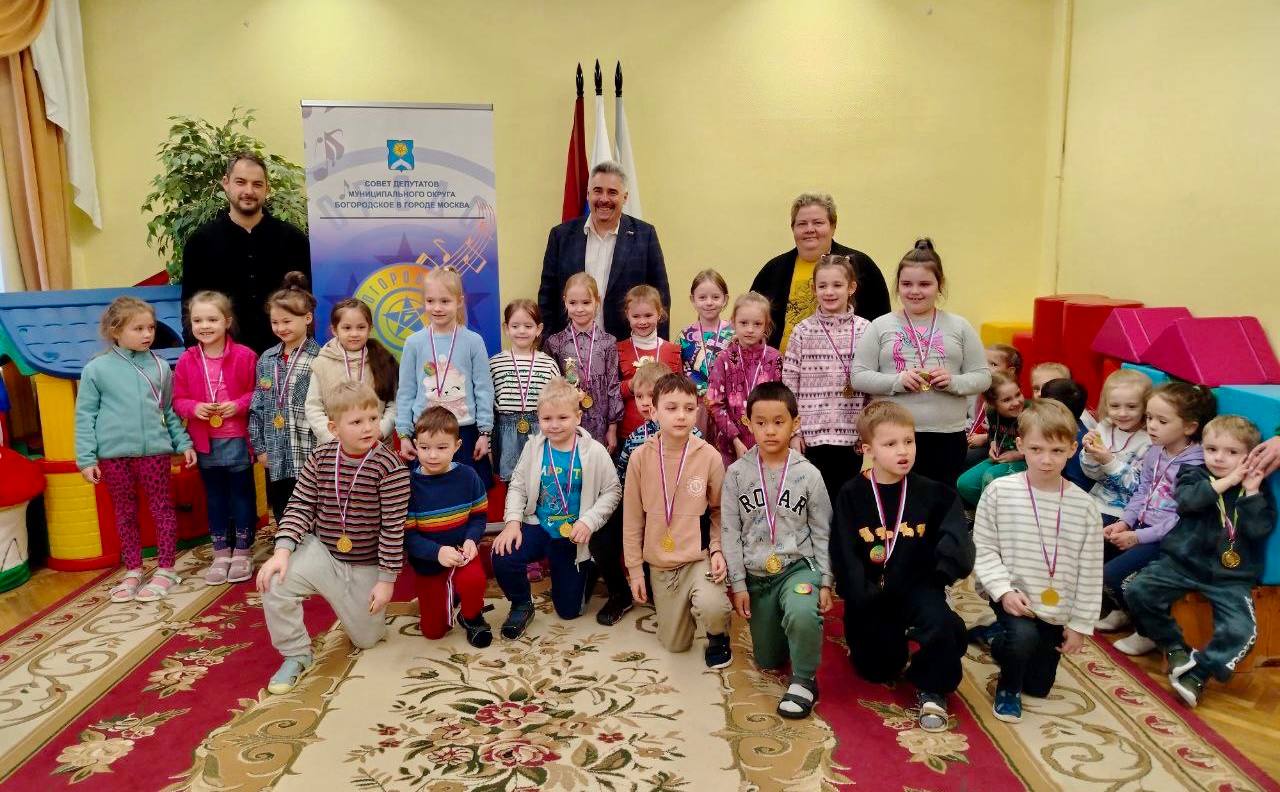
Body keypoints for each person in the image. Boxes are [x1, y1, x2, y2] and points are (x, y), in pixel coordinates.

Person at [256, 381, 410, 694]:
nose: (368, 428)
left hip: (366, 563)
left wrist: (386, 581)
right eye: (356, 421)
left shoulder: (390, 467)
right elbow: (300, 504)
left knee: (367, 640)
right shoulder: (320, 456)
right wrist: (282, 552)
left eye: (373, 418)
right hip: (323, 552)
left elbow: (392, 529)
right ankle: (296, 654)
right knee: (273, 580)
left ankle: (360, 613)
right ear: (333, 428)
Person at [831, 400, 973, 731]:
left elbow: (955, 535)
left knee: (939, 625)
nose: (903, 451)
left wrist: (944, 570)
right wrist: (858, 592)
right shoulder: (852, 493)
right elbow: (843, 549)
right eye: (891, 444)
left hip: (918, 584)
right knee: (877, 669)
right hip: (872, 590)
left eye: (909, 441)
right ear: (868, 450)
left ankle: (932, 689)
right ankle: (904, 637)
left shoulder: (933, 492)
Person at [1126, 416, 1276, 707]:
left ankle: (1198, 674)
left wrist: (1252, 491)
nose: (1219, 458)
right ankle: (1175, 648)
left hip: (1230, 577)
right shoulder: (1193, 473)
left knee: (1242, 632)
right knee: (1137, 591)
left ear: (1249, 455)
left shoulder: (1256, 489)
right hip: (1182, 564)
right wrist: (1228, 481)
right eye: (1212, 449)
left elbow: (1258, 530)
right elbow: (1188, 501)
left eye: (1232, 452)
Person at [972, 399, 1103, 723]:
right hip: (1011, 593)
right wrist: (1003, 591)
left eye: (1057, 451)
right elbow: (984, 548)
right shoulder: (999, 492)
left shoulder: (1085, 507)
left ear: (1072, 449)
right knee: (1022, 640)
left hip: (1055, 605)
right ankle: (1008, 687)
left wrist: (1080, 625)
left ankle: (995, 638)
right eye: (1036, 449)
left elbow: (1090, 571)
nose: (1046, 459)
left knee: (1039, 686)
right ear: (1020, 446)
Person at [75, 297, 197, 602]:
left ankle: (166, 568)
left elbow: (167, 411)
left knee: (162, 509)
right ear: (115, 331)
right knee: (125, 513)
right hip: (113, 456)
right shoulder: (96, 369)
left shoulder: (160, 367)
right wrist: (86, 459)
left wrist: (183, 443)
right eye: (138, 328)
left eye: (150, 328)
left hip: (154, 453)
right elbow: (85, 416)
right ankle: (133, 569)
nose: (147, 334)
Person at [723, 382, 833, 719]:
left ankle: (804, 680)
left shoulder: (809, 474)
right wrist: (738, 583)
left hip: (797, 567)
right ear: (748, 423)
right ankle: (788, 629)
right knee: (768, 659)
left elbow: (822, 530)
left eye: (779, 422)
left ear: (795, 423)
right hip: (757, 575)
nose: (770, 430)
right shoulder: (736, 474)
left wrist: (826, 580)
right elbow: (730, 532)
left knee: (802, 612)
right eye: (761, 422)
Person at [851, 239, 991, 489]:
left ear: (939, 285)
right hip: (892, 435)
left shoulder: (959, 326)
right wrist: (897, 381)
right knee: (896, 500)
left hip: (946, 435)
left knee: (940, 500)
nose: (915, 291)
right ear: (897, 286)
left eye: (924, 284)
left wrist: (953, 382)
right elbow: (859, 376)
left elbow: (982, 376)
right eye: (906, 284)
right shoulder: (880, 326)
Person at [493, 378, 622, 638]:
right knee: (503, 553)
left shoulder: (595, 451)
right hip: (539, 526)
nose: (554, 425)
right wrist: (512, 523)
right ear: (538, 418)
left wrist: (588, 521)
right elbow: (517, 486)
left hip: (573, 535)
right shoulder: (533, 448)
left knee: (569, 611)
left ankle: (587, 568)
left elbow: (612, 491)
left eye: (562, 417)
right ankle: (521, 604)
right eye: (546, 418)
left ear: (578, 417)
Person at [623, 373, 732, 668]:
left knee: (713, 607)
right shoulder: (639, 458)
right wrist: (635, 571)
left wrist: (717, 549)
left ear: (697, 411)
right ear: (654, 412)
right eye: (671, 408)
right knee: (675, 645)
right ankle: (684, 610)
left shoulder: (709, 457)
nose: (681, 415)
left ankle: (718, 633)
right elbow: (632, 519)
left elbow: (719, 511)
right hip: (661, 563)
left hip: (697, 558)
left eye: (689, 408)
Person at [1104, 382, 1215, 656]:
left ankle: (1148, 632)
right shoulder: (1155, 450)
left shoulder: (1195, 465)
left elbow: (1181, 518)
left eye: (1162, 421)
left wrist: (1137, 537)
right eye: (1149, 417)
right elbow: (1142, 490)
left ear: (1189, 427)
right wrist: (1125, 521)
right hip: (1142, 526)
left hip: (1168, 537)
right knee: (1098, 554)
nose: (1151, 426)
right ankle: (1126, 612)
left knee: (1114, 575)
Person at [181, 152, 311, 353]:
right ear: (226, 183)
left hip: (284, 356)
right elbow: (190, 308)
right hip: (222, 357)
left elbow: (307, 304)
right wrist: (197, 357)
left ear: (267, 188)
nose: (249, 191)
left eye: (257, 184)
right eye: (240, 182)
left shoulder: (293, 240)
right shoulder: (200, 242)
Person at [173, 291, 259, 585]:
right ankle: (221, 553)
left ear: (227, 322)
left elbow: (258, 394)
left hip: (238, 439)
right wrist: (194, 408)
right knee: (215, 497)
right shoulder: (186, 360)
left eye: (212, 319)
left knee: (242, 495)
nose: (205, 325)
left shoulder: (246, 356)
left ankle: (243, 551)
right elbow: (178, 400)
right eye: (197, 320)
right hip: (205, 442)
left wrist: (239, 405)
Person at [538, 161, 670, 341]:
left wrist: (658, 349)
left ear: (625, 197)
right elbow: (547, 297)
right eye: (598, 191)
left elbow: (660, 297)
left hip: (628, 347)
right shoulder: (561, 236)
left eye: (612, 192)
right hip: (570, 349)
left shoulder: (645, 235)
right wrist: (549, 345)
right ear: (588, 194)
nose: (604, 199)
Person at [782, 254, 871, 506]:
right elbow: (789, 385)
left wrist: (866, 433)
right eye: (822, 286)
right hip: (811, 437)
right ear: (814, 289)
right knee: (814, 503)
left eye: (837, 285)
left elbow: (872, 388)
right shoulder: (802, 331)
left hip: (851, 437)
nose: (829, 292)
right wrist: (794, 432)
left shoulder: (866, 330)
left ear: (851, 287)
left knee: (846, 503)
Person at [752, 192, 889, 354]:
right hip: (778, 366)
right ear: (793, 228)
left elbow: (881, 325)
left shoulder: (860, 266)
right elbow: (750, 318)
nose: (810, 229)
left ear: (833, 226)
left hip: (845, 366)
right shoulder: (773, 270)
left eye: (818, 222)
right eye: (802, 224)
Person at [394, 267, 495, 488]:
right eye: (430, 301)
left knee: (468, 491)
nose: (437, 308)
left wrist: (484, 433)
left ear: (459, 301)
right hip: (425, 433)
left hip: (465, 432)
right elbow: (406, 391)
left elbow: (484, 389)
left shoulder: (473, 341)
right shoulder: (413, 342)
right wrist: (404, 434)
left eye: (445, 301)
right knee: (427, 494)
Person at [404, 406, 492, 647]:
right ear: (416, 445)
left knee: (473, 580)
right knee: (434, 632)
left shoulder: (469, 476)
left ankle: (471, 615)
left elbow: (478, 516)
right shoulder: (409, 484)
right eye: (425, 448)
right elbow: (408, 536)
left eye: (442, 448)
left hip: (462, 552)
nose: (432, 455)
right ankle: (446, 596)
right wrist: (437, 552)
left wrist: (471, 539)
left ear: (457, 446)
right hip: (429, 561)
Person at [249, 273, 322, 523]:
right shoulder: (266, 359)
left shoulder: (321, 358)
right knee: (283, 511)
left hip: (310, 452)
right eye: (275, 322)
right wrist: (260, 448)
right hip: (277, 453)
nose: (281, 328)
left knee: (313, 511)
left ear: (307, 318)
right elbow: (257, 407)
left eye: (287, 321)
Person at [544, 273, 622, 453]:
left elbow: (613, 385)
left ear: (597, 301)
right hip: (566, 421)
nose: (579, 309)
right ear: (565, 302)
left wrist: (612, 427)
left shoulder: (608, 342)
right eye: (573, 303)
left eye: (586, 302)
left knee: (595, 464)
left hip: (600, 424)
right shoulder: (555, 343)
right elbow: (551, 387)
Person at [305, 299, 398, 445]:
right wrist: (333, 438)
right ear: (334, 330)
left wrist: (380, 432)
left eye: (361, 327)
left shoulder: (384, 360)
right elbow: (313, 407)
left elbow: (393, 403)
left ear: (370, 328)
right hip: (335, 447)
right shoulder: (322, 363)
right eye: (347, 328)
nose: (354, 333)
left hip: (376, 445)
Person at [707, 291, 783, 467]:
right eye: (743, 323)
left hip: (768, 443)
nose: (750, 329)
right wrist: (735, 439)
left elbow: (782, 403)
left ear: (766, 325)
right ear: (733, 322)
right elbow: (714, 403)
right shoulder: (724, 359)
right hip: (730, 446)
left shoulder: (775, 358)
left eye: (757, 324)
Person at [489, 299, 561, 483]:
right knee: (511, 483)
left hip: (540, 429)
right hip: (506, 431)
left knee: (541, 479)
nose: (521, 331)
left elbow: (558, 401)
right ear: (506, 328)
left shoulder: (548, 363)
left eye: (528, 326)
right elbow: (488, 405)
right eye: (515, 326)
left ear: (538, 329)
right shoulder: (495, 363)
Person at [1080, 369, 1153, 530]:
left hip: (1123, 514)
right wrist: (1089, 453)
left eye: (1132, 406)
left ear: (1146, 406)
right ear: (1106, 404)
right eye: (1114, 406)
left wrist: (1109, 461)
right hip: (1094, 502)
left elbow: (1138, 488)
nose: (1122, 413)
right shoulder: (1104, 427)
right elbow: (1092, 474)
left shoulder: (1149, 441)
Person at [618, 285, 682, 437]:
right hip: (628, 432)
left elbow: (680, 391)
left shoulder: (673, 351)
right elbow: (612, 391)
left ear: (659, 313)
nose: (642, 321)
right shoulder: (619, 349)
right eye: (636, 316)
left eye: (648, 315)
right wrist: (631, 385)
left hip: (666, 432)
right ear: (627, 315)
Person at [679, 270, 734, 440]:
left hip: (727, 405)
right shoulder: (685, 335)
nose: (709, 302)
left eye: (715, 297)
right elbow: (681, 372)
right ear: (693, 299)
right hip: (696, 406)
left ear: (725, 299)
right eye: (702, 297)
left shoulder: (734, 333)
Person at [957, 372, 1027, 506]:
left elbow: (1041, 446)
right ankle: (987, 510)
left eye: (1018, 394)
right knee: (964, 483)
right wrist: (992, 444)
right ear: (992, 403)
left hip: (1026, 461)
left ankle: (994, 514)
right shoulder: (991, 412)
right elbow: (993, 434)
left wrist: (1018, 455)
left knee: (991, 476)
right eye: (1007, 400)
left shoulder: (1029, 413)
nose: (1016, 402)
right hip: (1001, 458)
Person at [967, 343, 1023, 463]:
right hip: (991, 446)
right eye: (984, 363)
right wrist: (992, 442)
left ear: (1010, 371)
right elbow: (993, 431)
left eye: (993, 364)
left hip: (1015, 454)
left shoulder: (1020, 407)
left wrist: (985, 439)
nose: (986, 368)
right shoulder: (983, 396)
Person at [1040, 378, 1093, 493]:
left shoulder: (1075, 441)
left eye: (1042, 402)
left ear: (1055, 408)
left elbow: (1080, 484)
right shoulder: (1074, 427)